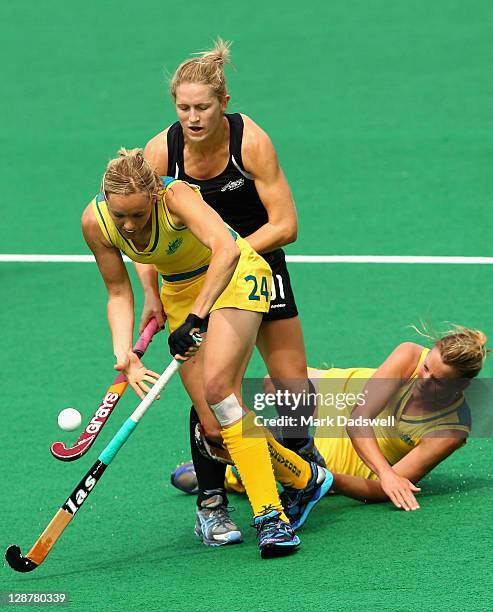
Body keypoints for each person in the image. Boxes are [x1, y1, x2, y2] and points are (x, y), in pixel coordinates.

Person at [81, 148, 332, 558]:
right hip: (180, 291)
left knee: (219, 388)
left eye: (138, 216)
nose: (128, 226)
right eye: (120, 215)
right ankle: (304, 477)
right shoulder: (95, 222)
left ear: (155, 199)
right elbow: (116, 290)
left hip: (236, 275)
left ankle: (272, 519)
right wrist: (124, 352)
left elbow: (227, 250)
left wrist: (197, 318)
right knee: (213, 428)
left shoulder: (177, 196)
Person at [138, 38, 321, 546]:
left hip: (260, 260)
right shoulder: (162, 151)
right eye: (184, 108)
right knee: (215, 390)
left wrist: (231, 251)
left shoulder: (251, 142)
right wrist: (151, 294)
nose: (193, 118)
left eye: (203, 107)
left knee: (292, 384)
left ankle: (299, 473)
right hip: (200, 278)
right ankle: (213, 500)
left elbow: (286, 224)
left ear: (224, 102)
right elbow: (147, 233)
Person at [171, 326, 488, 515]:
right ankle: (268, 451)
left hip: (345, 458)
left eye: (436, 379)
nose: (423, 378)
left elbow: (382, 489)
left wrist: (324, 477)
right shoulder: (410, 355)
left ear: (461, 386)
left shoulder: (450, 431)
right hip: (346, 397)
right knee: (276, 382)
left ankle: (235, 471)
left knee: (286, 460)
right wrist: (386, 473)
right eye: (427, 367)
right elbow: (358, 418)